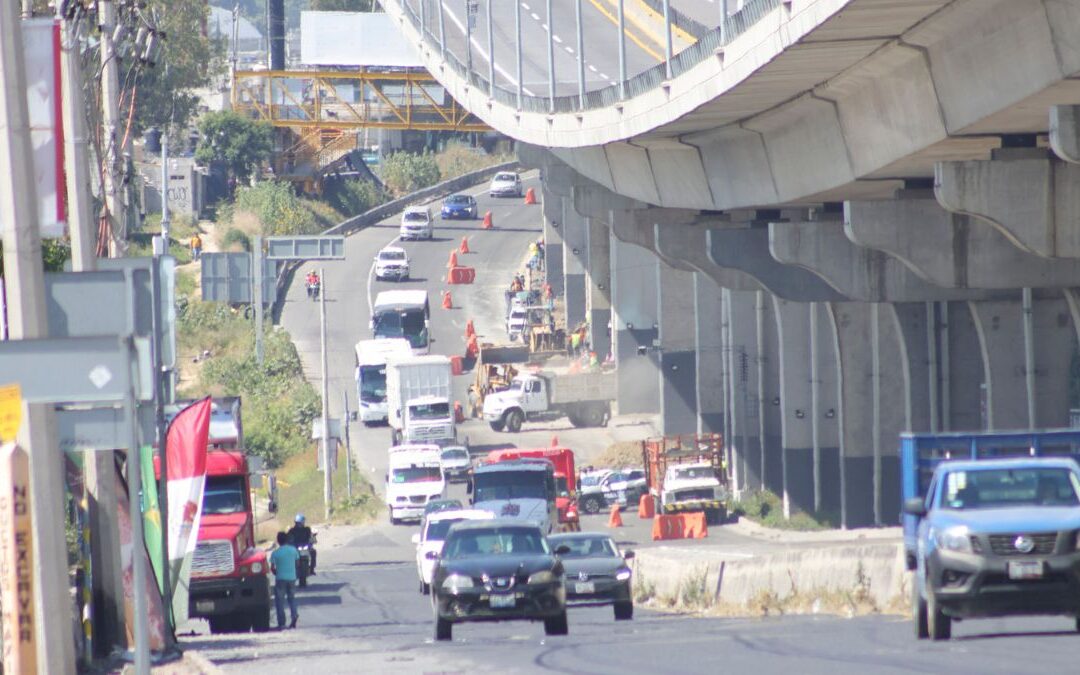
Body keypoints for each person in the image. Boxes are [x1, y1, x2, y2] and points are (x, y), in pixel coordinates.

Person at [270, 532, 300, 629]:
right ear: (287, 540)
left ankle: (282, 622)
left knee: (280, 601)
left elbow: (272, 568)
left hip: (280, 579)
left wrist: (276, 573)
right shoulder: (293, 550)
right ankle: (294, 614)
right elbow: (297, 564)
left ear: (278, 541)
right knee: (292, 598)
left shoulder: (275, 553)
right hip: (292, 578)